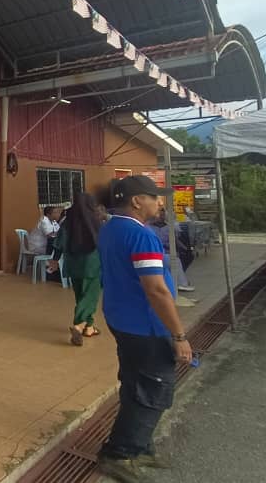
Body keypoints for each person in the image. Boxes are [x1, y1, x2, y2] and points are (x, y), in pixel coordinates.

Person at [97, 176, 192, 482]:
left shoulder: (110, 227)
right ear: (137, 201)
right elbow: (156, 290)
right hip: (145, 325)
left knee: (134, 382)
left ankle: (139, 445)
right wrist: (179, 335)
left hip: (121, 319)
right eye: (154, 196)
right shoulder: (141, 234)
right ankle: (119, 454)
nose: (160, 202)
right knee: (154, 388)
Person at [50, 192, 103, 346]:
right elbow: (105, 243)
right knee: (90, 297)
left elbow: (59, 243)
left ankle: (89, 327)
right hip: (92, 265)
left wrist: (55, 260)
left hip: (73, 264)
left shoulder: (68, 222)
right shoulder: (96, 221)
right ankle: (79, 326)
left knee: (80, 295)